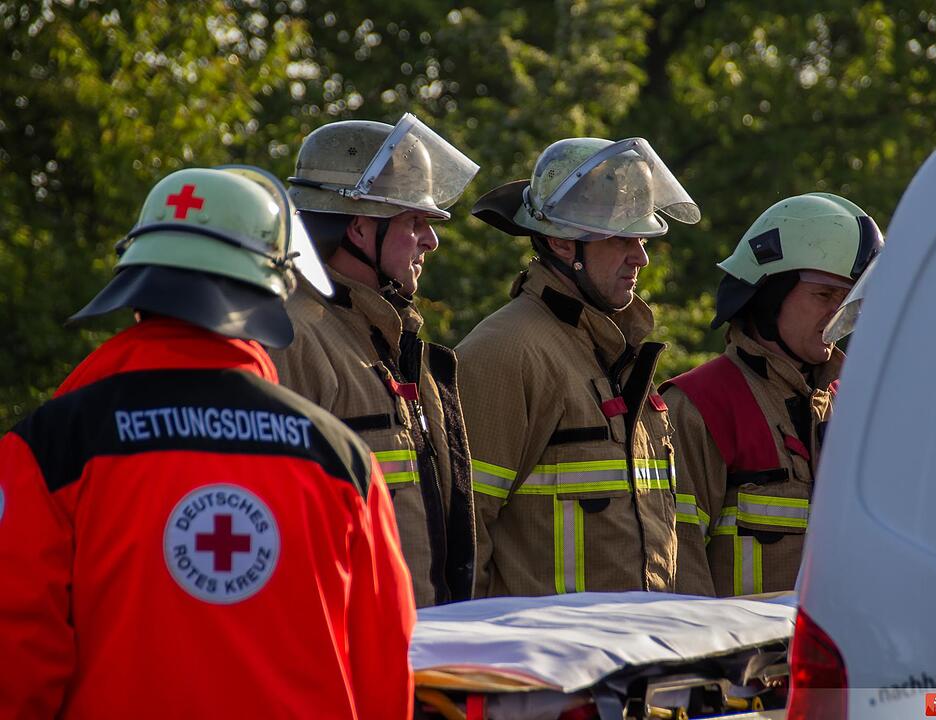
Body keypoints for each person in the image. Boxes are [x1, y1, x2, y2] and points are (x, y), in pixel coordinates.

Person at [0, 167, 415, 718]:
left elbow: (17, 658)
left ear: (138, 286)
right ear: (271, 290)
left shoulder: (49, 447)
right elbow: (384, 667)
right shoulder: (339, 460)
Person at [456, 136, 714, 597]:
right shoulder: (506, 352)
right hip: (550, 663)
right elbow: (464, 537)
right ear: (560, 241)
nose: (641, 256)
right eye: (621, 238)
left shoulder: (615, 351)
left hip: (638, 654)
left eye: (641, 237)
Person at [269, 114, 479, 608]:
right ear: (360, 229)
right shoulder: (292, 336)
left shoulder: (391, 339)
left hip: (418, 640)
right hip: (346, 652)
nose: (431, 241)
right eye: (415, 222)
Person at [660, 192, 883, 596]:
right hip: (741, 657)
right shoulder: (698, 407)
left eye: (849, 298)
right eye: (824, 295)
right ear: (768, 295)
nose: (840, 314)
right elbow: (678, 569)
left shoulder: (856, 404)